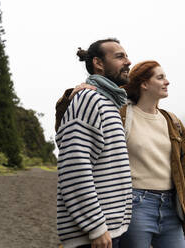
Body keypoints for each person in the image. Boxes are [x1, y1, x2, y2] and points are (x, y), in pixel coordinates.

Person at [56, 60, 185, 248]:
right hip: (134, 206)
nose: (167, 82)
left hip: (171, 209)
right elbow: (73, 134)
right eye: (160, 77)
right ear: (144, 84)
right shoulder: (120, 113)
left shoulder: (173, 122)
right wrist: (73, 96)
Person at [55, 38, 132, 248]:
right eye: (120, 56)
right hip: (93, 236)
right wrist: (95, 226)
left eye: (126, 56)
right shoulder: (90, 99)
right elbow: (74, 167)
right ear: (98, 63)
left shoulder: (110, 104)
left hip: (109, 230)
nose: (128, 61)